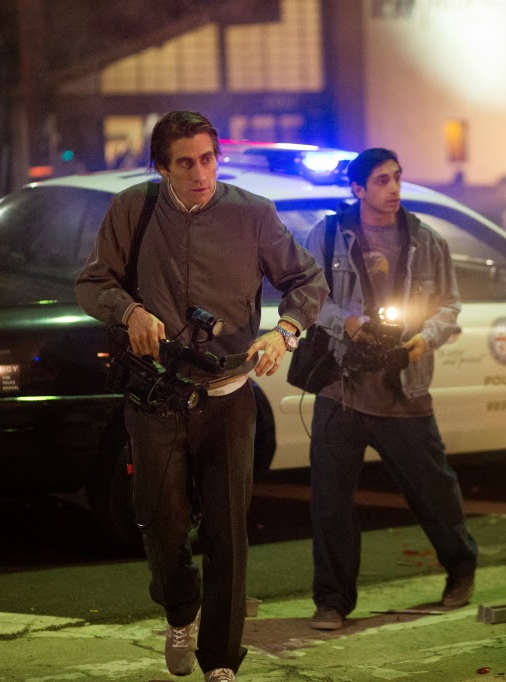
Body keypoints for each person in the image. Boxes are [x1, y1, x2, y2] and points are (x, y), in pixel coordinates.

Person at [75, 111, 328, 682]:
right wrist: (130, 311)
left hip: (229, 395)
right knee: (159, 522)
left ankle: (221, 660)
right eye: (185, 163)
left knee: (227, 534)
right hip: (156, 397)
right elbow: (92, 282)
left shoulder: (253, 213)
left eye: (208, 159)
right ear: (162, 167)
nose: (200, 174)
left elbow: (307, 280)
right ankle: (178, 608)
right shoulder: (133, 209)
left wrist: (284, 331)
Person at [302, 148, 478, 631]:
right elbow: (308, 297)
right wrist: (349, 324)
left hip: (405, 387)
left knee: (434, 491)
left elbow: (449, 307)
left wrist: (421, 343)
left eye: (397, 177)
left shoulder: (427, 240)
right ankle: (332, 601)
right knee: (331, 502)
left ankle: (461, 568)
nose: (394, 188)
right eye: (381, 180)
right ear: (358, 189)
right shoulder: (328, 235)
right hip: (341, 386)